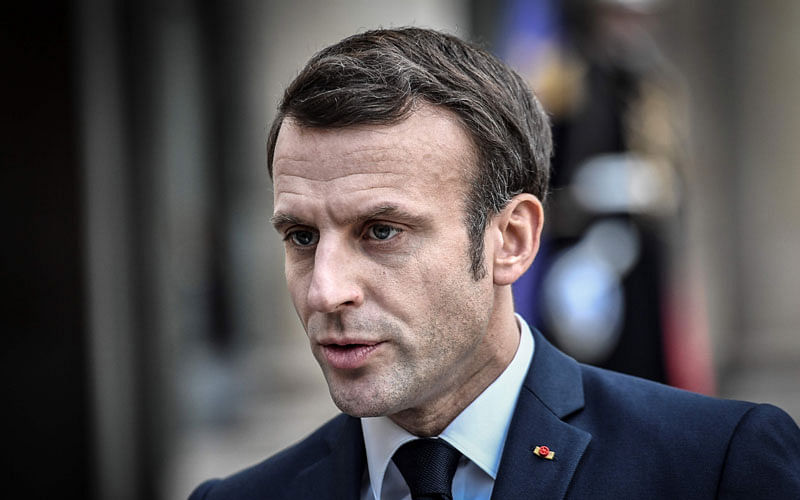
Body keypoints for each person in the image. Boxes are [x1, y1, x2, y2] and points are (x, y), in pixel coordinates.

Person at [189, 27, 800, 500]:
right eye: (300, 236)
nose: (326, 290)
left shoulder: (717, 466)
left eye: (381, 231)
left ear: (511, 239)